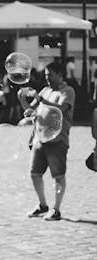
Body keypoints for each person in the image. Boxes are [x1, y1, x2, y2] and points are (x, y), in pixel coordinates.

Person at [18, 62, 75, 221]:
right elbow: (31, 111)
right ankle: (43, 205)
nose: (47, 78)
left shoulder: (67, 91)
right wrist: (22, 100)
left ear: (59, 74)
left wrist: (41, 99)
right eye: (46, 76)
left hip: (58, 140)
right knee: (34, 174)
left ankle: (56, 209)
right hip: (39, 138)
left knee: (58, 175)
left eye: (50, 75)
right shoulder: (45, 90)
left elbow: (61, 109)